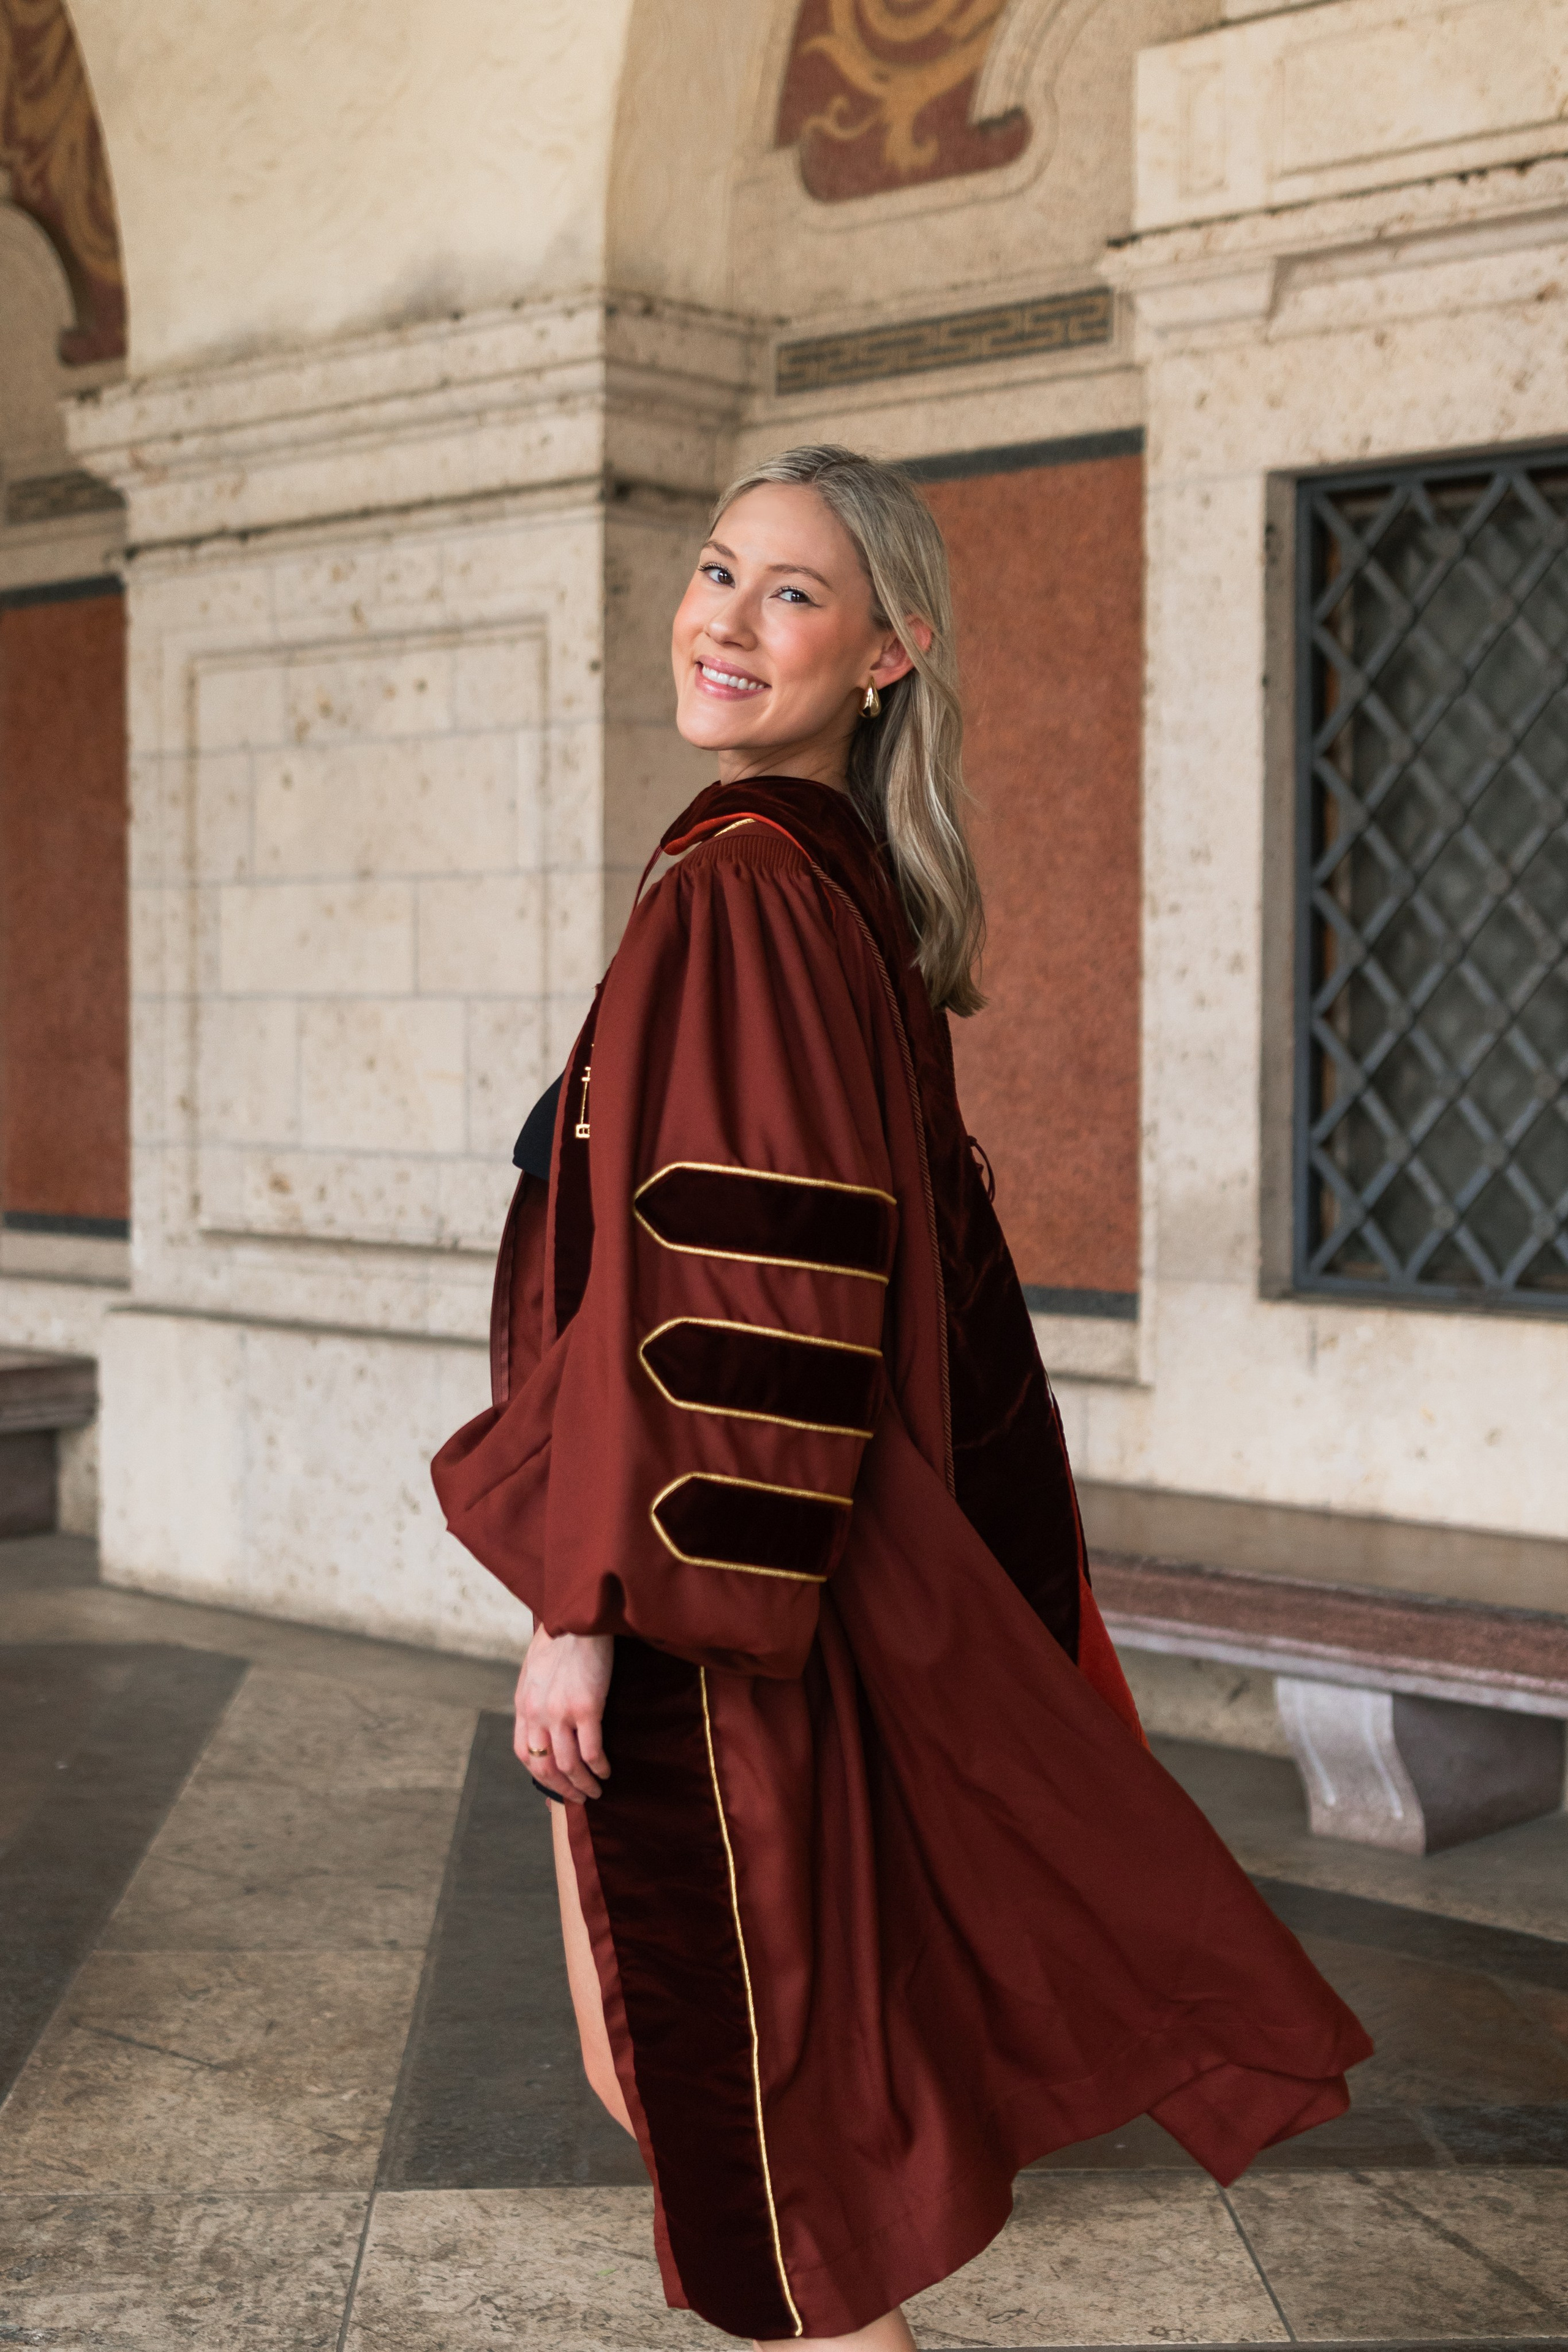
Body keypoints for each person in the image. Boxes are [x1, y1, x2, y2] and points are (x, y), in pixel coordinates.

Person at [432, 444, 1371, 2352]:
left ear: (887, 649)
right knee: (734, 2100)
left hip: (706, 1593)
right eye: (714, 571)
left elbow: (728, 1296)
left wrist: (585, 1612)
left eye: (789, 592)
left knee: (726, 2107)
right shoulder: (829, 885)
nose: (722, 616)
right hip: (798, 1571)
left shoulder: (742, 893)